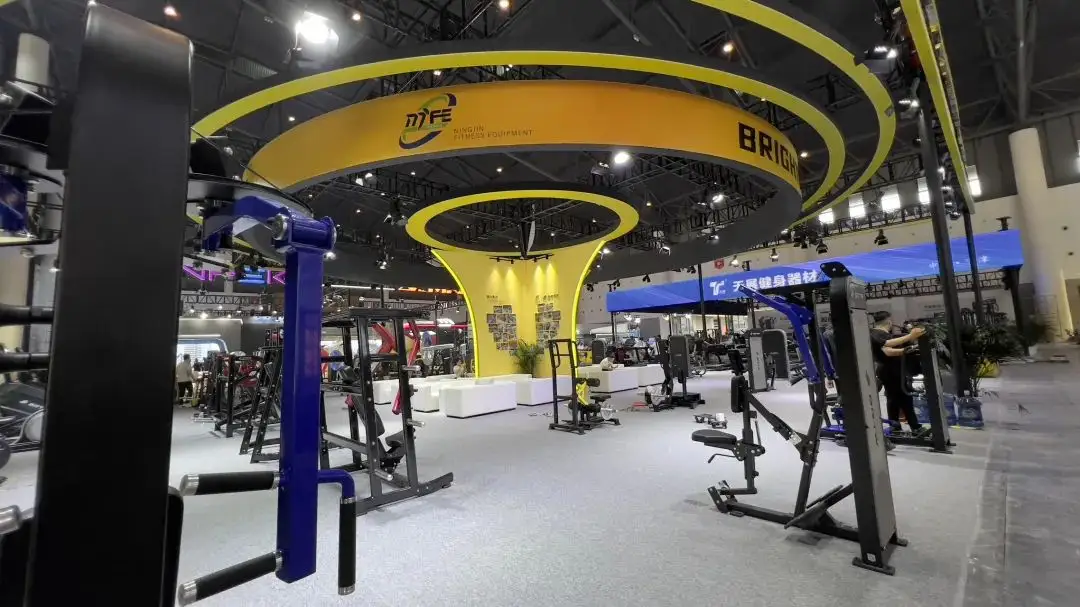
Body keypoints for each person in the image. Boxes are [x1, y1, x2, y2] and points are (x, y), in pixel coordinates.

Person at [869, 311, 928, 436]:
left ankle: (896, 427)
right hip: (890, 371)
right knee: (902, 398)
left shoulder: (883, 334)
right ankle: (913, 427)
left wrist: (908, 349)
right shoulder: (876, 333)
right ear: (889, 321)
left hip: (894, 370)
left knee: (895, 399)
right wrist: (910, 337)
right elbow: (887, 349)